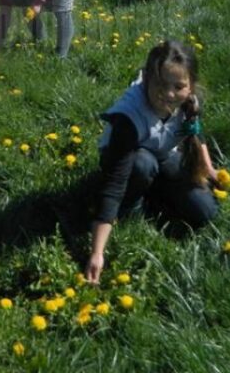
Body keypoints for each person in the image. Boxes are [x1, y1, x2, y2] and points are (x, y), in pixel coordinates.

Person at [85, 40, 220, 284]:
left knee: (205, 211)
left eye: (178, 86)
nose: (169, 94)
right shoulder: (128, 117)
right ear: (147, 78)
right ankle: (133, 208)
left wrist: (208, 168)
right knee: (143, 165)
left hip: (163, 154)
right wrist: (97, 253)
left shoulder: (188, 100)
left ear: (190, 85)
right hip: (129, 161)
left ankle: (154, 190)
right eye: (160, 84)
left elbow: (194, 132)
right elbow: (114, 186)